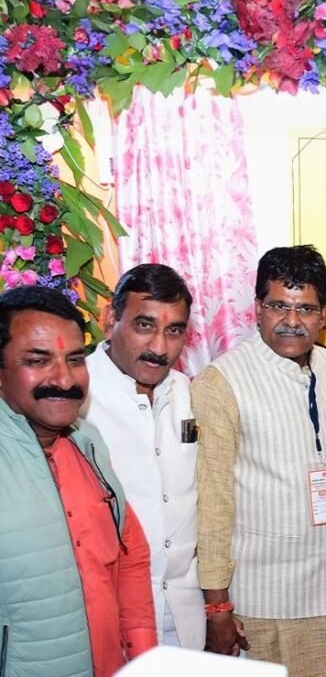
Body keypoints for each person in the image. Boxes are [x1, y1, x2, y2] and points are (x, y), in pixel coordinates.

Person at [193, 246, 326, 676]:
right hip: (261, 603)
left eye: (306, 309)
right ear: (258, 308)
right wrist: (218, 607)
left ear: (324, 315)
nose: (293, 321)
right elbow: (212, 503)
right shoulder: (221, 382)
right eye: (279, 305)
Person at [0, 286, 156, 676]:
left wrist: (144, 657)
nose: (64, 379)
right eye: (38, 360)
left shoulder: (88, 446)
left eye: (74, 359)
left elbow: (129, 555)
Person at [82, 263, 205, 649]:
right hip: (108, 618)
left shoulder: (186, 392)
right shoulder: (75, 395)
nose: (159, 348)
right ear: (110, 319)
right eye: (144, 325)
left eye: (174, 331)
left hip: (185, 614)